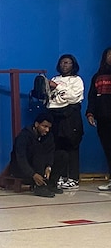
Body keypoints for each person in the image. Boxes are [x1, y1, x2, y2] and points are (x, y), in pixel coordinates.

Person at [46, 54, 84, 189]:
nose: (64, 65)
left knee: (72, 146)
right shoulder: (55, 79)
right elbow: (50, 99)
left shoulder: (77, 80)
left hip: (71, 116)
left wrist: (57, 87)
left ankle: (73, 178)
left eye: (67, 62)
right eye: (62, 62)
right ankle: (60, 176)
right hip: (55, 115)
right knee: (58, 147)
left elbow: (73, 97)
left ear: (73, 64)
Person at [10, 111, 66, 198]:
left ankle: (51, 184)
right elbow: (21, 159)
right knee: (38, 150)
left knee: (62, 155)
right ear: (36, 124)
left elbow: (50, 152)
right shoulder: (24, 136)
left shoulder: (48, 136)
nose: (47, 130)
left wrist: (49, 166)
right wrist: (33, 174)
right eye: (44, 126)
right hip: (23, 169)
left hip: (40, 166)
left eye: (49, 127)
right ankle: (39, 187)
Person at [85, 47, 111, 191]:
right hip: (104, 119)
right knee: (108, 149)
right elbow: (92, 97)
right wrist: (90, 114)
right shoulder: (97, 77)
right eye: (109, 55)